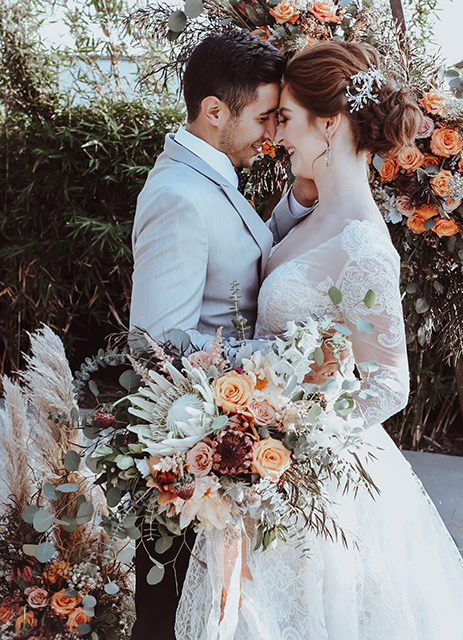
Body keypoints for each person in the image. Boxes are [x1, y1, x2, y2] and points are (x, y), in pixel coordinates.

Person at [173, 41, 463, 639]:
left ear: (331, 123)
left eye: (286, 119)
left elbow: (391, 384)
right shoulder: (310, 217)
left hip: (316, 481)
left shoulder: (364, 246)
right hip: (267, 468)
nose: (276, 135)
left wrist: (292, 432)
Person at [128, 30, 319, 640]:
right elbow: (158, 344)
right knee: (173, 617)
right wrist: (274, 367)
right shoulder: (179, 196)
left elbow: (235, 254)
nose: (271, 133)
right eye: (264, 117)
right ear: (215, 111)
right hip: (191, 459)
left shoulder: (205, 174)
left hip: (222, 446)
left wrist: (295, 205)